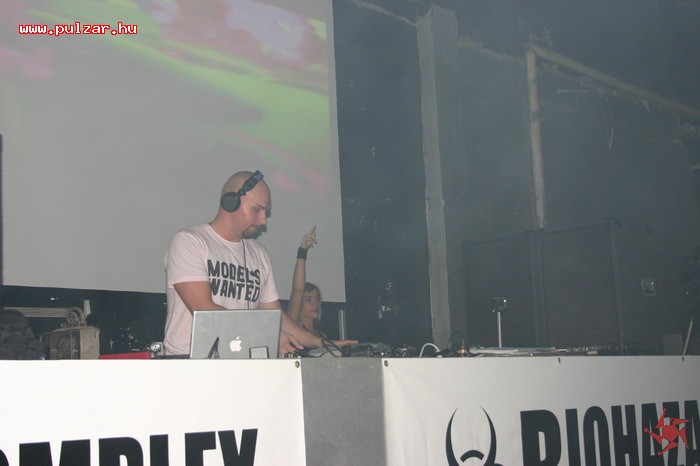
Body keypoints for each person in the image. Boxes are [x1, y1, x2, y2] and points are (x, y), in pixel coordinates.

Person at [163, 170, 353, 355]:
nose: (263, 221)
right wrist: (265, 335)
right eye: (257, 210)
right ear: (231, 203)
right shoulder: (190, 242)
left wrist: (319, 342)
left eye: (266, 212)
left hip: (242, 361)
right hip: (189, 361)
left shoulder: (259, 254)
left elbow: (277, 317)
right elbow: (205, 310)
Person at [286, 226, 326, 339]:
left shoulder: (321, 335)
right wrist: (303, 251)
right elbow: (298, 290)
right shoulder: (294, 327)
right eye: (308, 299)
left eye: (317, 299)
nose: (315, 303)